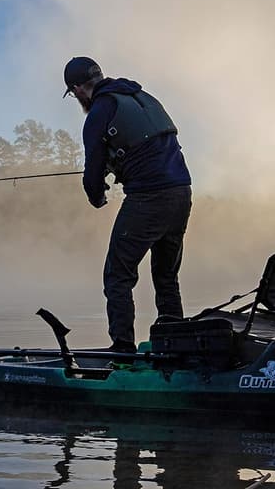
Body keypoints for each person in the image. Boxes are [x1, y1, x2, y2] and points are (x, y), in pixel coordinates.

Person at [63, 56, 192, 353]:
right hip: (182, 192)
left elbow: (92, 171)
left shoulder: (100, 111)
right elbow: (146, 147)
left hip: (149, 197)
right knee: (166, 275)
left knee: (118, 276)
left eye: (74, 95)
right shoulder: (141, 96)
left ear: (77, 89)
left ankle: (122, 351)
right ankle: (175, 347)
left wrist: (97, 196)